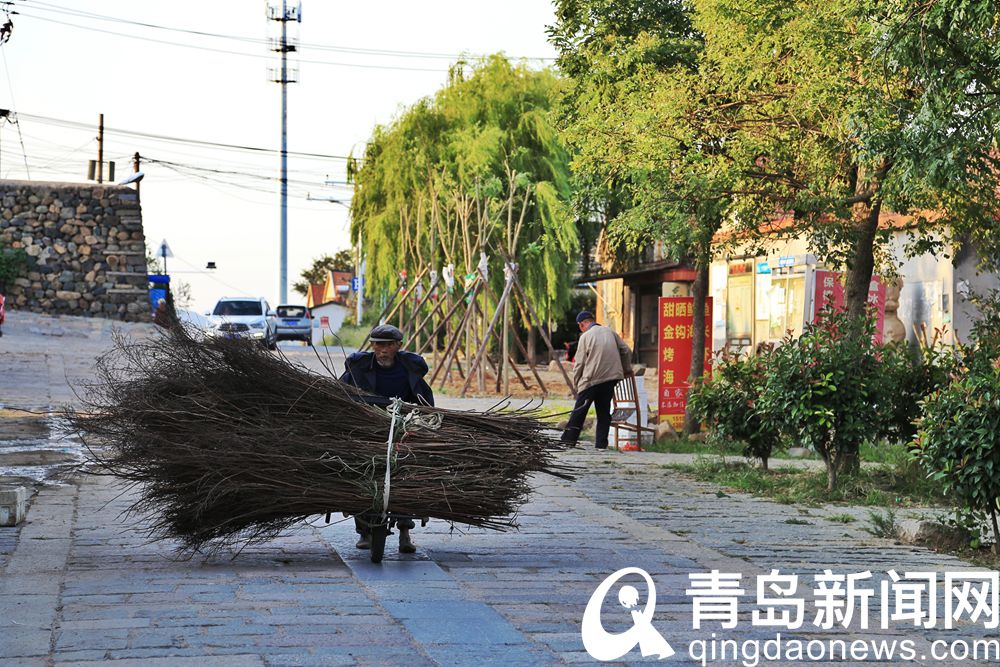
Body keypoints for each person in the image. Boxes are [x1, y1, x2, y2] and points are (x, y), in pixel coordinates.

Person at [339, 323, 434, 554]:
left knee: (408, 472)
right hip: (367, 427)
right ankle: (364, 530)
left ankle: (405, 530)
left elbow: (425, 401)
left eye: (388, 345)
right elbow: (340, 394)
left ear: (398, 347)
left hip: (403, 426)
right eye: (378, 345)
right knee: (360, 472)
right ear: (372, 346)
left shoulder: (410, 367)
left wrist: (422, 421)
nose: (382, 350)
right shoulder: (358, 367)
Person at [561, 311, 632, 449]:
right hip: (611, 378)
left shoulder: (586, 336)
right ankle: (601, 444)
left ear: (582, 324)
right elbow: (626, 350)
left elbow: (579, 363)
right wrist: (625, 369)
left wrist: (577, 384)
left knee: (580, 411)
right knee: (604, 411)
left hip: (591, 380)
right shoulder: (610, 332)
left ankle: (567, 441)